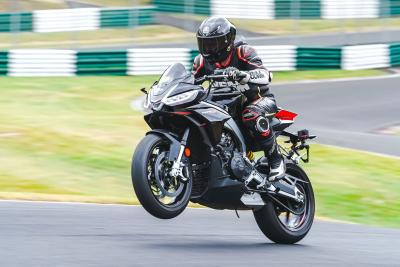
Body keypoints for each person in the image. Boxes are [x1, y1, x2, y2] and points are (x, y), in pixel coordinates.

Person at [192, 17, 285, 181]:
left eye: (214, 44)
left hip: (258, 100)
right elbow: (191, 82)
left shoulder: (244, 52)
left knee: (250, 114)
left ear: (227, 42)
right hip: (226, 106)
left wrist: (245, 75)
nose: (209, 49)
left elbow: (266, 75)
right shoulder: (200, 61)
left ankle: (275, 159)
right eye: (205, 44)